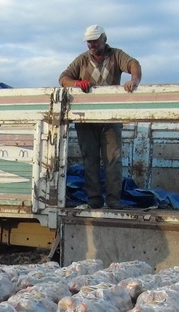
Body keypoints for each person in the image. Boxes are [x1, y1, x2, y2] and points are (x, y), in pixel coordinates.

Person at [59, 24, 142, 209]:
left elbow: (133, 64)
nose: (91, 45)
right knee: (90, 159)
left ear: (104, 39)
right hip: (86, 119)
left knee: (113, 160)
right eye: (89, 42)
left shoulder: (116, 55)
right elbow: (63, 78)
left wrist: (134, 80)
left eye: (95, 40)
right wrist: (77, 82)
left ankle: (114, 200)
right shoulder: (81, 60)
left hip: (110, 118)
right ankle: (94, 199)